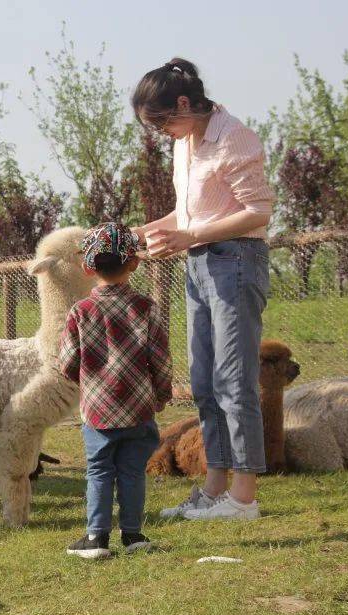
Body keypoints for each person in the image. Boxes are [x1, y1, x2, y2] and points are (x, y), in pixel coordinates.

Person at [131, 58, 274, 520]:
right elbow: (188, 215)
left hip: (235, 261)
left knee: (234, 381)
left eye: (162, 122)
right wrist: (143, 233)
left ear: (186, 103)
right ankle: (214, 489)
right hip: (200, 265)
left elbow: (258, 211)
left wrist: (190, 236)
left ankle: (244, 497)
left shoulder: (234, 137)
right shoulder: (187, 143)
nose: (161, 133)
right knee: (204, 383)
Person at [58, 223, 172, 559]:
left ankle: (96, 538)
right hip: (138, 409)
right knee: (133, 471)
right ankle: (134, 534)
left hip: (98, 412)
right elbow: (161, 360)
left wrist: (88, 384)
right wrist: (161, 394)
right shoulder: (146, 308)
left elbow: (66, 362)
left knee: (100, 470)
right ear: (134, 263)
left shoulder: (81, 312)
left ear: (88, 267)